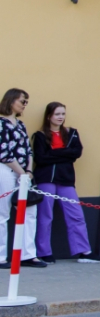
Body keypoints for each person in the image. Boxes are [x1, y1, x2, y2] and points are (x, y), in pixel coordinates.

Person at [30, 102, 100, 264]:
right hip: (45, 180)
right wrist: (65, 154)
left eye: (63, 114)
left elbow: (76, 153)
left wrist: (54, 153)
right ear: (49, 116)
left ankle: (84, 251)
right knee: (45, 216)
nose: (61, 117)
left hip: (66, 181)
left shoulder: (72, 133)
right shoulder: (40, 135)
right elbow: (41, 158)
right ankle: (44, 252)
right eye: (57, 114)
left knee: (76, 215)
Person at [0, 88, 41, 269]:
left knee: (30, 212)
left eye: (26, 102)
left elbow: (28, 149)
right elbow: (3, 153)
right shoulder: (1, 123)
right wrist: (21, 172)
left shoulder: (20, 124)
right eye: (22, 101)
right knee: (3, 213)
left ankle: (28, 254)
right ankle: (1, 256)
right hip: (6, 171)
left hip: (24, 173)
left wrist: (29, 171)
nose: (24, 105)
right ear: (11, 101)